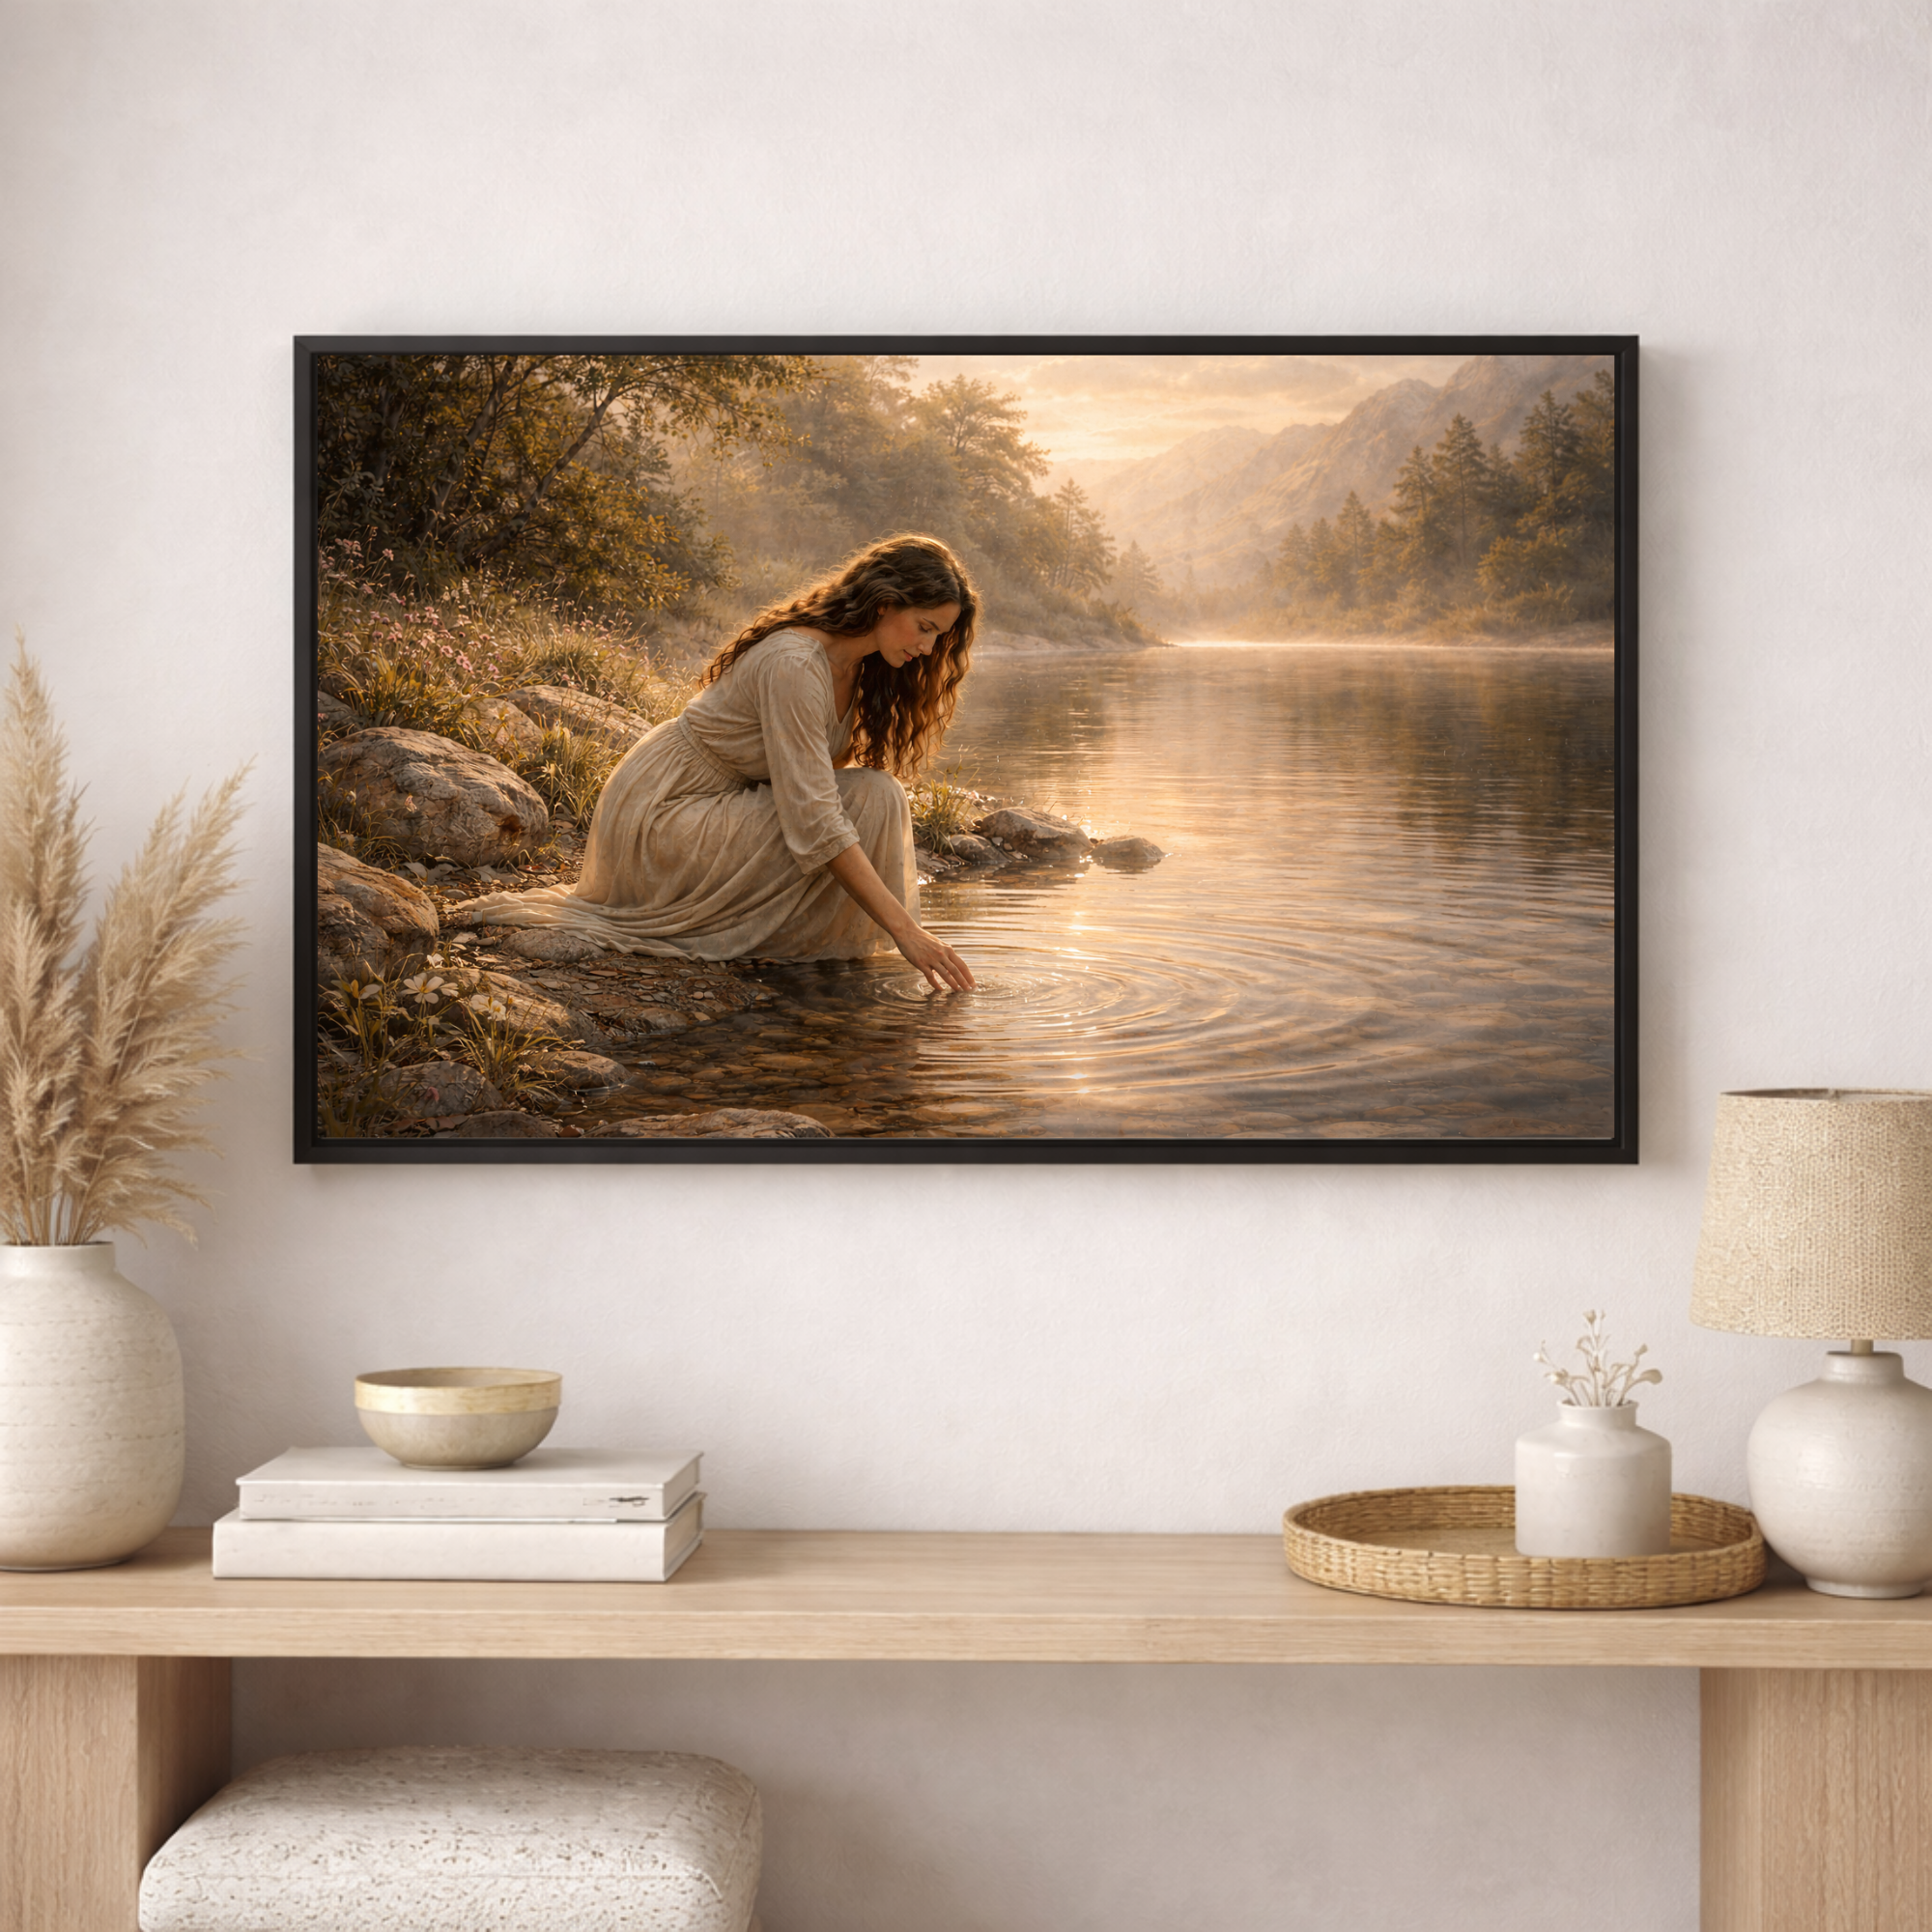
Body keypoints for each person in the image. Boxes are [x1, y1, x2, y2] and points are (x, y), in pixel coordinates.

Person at [451, 533, 978, 991]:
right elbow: (814, 820)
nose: (929, 649)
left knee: (877, 793)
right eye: (925, 627)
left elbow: (815, 793)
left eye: (939, 636)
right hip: (665, 812)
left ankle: (835, 959)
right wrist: (906, 931)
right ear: (885, 603)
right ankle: (860, 952)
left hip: (719, 801)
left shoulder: (857, 667)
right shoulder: (795, 665)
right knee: (862, 805)